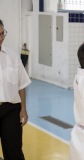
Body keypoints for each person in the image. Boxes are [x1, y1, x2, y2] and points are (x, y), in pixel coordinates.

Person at [0, 19, 31, 159]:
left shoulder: (13, 56)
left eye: (2, 34)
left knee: (14, 152)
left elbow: (21, 84)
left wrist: (23, 108)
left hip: (11, 110)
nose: (1, 38)